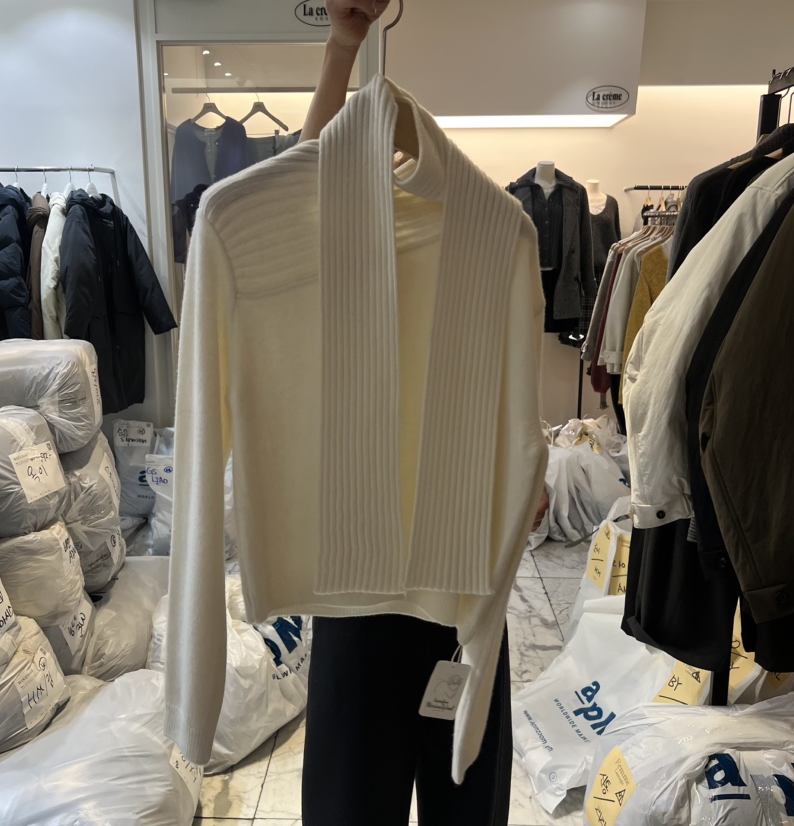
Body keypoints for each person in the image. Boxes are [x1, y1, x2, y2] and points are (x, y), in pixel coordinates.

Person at [298, 4, 550, 823]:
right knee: (352, 798)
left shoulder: (492, 239)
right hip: (360, 570)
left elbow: (516, 394)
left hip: (459, 569)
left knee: (463, 791)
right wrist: (343, 48)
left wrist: (526, 466)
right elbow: (302, 184)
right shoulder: (334, 248)